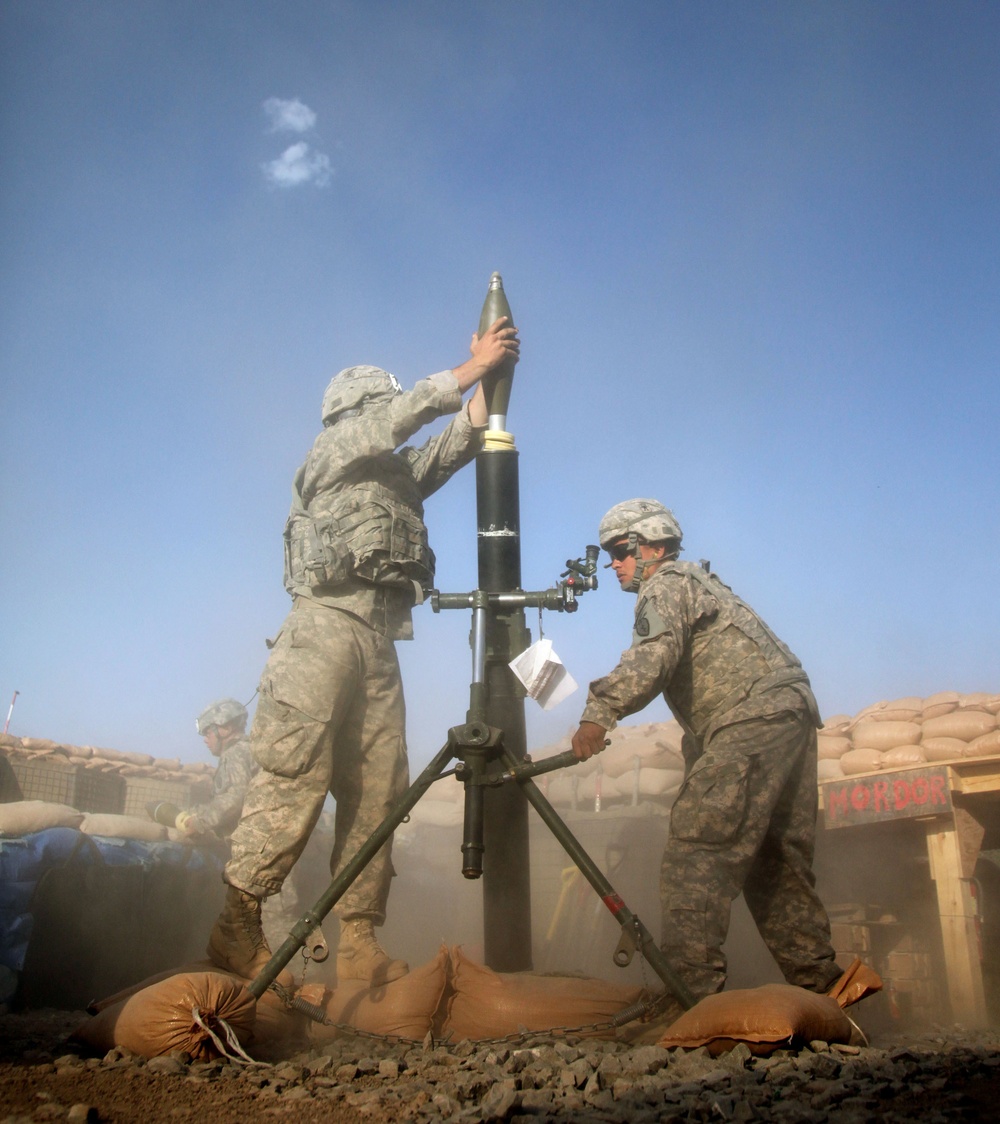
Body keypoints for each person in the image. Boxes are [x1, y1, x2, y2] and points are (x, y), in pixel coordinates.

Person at [207, 314, 520, 985]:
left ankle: (357, 940)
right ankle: (236, 924)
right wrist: (466, 368)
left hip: (380, 640)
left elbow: (462, 434)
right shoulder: (334, 449)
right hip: (322, 629)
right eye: (380, 405)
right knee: (295, 776)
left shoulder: (397, 476)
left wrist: (493, 373)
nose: (386, 415)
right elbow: (401, 418)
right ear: (353, 412)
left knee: (380, 790)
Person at [571, 498, 841, 1007]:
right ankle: (825, 990)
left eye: (617, 552)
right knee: (774, 863)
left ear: (646, 544)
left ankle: (691, 1002)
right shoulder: (703, 584)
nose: (613, 564)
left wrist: (597, 713)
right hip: (786, 714)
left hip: (749, 718)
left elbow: (653, 656)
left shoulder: (666, 585)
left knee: (696, 856)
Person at [147, 698, 256, 840]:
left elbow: (236, 797)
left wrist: (200, 822)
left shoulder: (236, 753)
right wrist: (195, 813)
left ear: (226, 728)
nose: (205, 739)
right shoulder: (247, 749)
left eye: (208, 733)